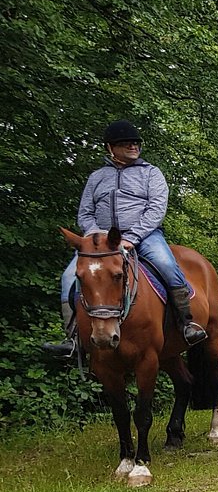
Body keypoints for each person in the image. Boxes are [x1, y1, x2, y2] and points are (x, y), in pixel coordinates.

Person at [42, 120, 207, 359]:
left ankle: (187, 324)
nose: (133, 146)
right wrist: (95, 235)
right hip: (100, 242)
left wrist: (132, 237)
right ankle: (73, 338)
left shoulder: (151, 173)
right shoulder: (97, 177)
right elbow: (85, 213)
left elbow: (156, 209)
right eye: (125, 143)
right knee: (69, 276)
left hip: (144, 236)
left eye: (135, 143)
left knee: (167, 265)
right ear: (110, 147)